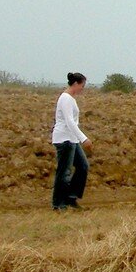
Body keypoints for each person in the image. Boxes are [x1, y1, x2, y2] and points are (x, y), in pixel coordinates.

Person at [52, 72, 90, 210]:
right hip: (64, 139)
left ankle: (71, 197)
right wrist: (84, 138)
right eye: (82, 85)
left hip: (72, 139)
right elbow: (69, 121)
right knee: (64, 172)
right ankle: (59, 203)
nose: (82, 89)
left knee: (83, 166)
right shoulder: (66, 98)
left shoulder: (71, 99)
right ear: (75, 84)